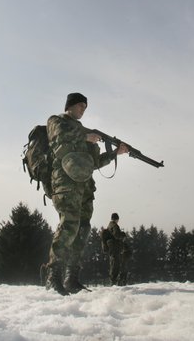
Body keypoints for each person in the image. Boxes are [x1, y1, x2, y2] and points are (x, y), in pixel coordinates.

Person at [45, 92, 129, 295]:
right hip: (65, 185)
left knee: (82, 232)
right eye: (80, 105)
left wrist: (114, 153)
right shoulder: (56, 121)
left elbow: (95, 162)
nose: (83, 109)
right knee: (69, 227)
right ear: (70, 106)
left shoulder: (88, 134)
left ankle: (71, 279)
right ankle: (53, 276)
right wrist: (85, 136)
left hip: (85, 188)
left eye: (85, 106)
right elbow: (58, 136)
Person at [106, 212, 131, 286]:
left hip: (111, 247)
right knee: (116, 264)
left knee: (113, 263)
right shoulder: (114, 225)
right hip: (115, 247)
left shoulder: (109, 225)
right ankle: (114, 281)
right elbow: (117, 235)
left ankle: (113, 280)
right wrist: (122, 235)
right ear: (117, 219)